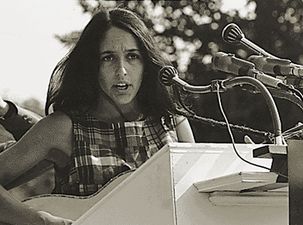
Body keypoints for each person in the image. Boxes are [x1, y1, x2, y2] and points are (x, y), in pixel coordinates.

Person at [0, 7, 194, 225]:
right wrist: (39, 220)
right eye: (108, 58)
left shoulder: (173, 123)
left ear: (146, 63)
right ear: (91, 66)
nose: (121, 70)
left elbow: (196, 201)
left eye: (132, 56)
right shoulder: (63, 127)